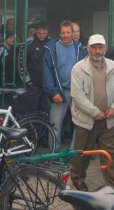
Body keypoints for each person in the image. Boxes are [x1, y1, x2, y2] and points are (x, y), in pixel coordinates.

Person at [69, 34, 114, 195]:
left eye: (100, 47)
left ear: (105, 48)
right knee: (82, 153)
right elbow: (77, 95)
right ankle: (77, 178)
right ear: (88, 48)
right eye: (94, 47)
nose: (97, 51)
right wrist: (94, 112)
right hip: (86, 121)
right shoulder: (78, 68)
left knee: (110, 155)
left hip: (108, 120)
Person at [43, 20, 87, 151]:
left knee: (79, 124)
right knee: (55, 126)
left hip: (78, 91)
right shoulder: (51, 48)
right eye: (63, 32)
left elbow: (85, 69)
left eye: (68, 32)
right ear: (59, 33)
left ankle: (74, 154)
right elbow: (47, 72)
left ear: (73, 33)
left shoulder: (80, 48)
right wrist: (53, 92)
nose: (65, 35)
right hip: (60, 92)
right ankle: (54, 154)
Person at [24, 21, 51, 115]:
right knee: (32, 110)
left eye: (44, 33)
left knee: (47, 110)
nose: (42, 36)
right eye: (40, 33)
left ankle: (46, 129)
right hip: (33, 84)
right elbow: (22, 63)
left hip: (48, 84)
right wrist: (28, 80)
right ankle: (32, 129)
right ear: (35, 31)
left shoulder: (52, 43)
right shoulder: (29, 44)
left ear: (47, 32)